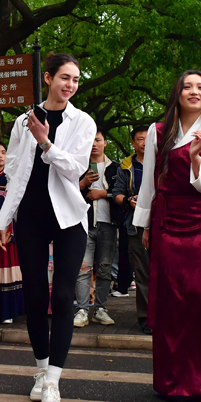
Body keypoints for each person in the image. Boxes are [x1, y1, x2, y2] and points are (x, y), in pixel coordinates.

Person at [0, 53, 95, 402]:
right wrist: (4, 219)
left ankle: (54, 381)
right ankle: (40, 370)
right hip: (32, 217)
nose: (70, 85)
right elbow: (13, 171)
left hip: (69, 217)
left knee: (64, 295)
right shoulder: (24, 120)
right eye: (64, 78)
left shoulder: (82, 121)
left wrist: (47, 144)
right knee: (35, 296)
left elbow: (76, 170)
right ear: (48, 78)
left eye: (76, 80)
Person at [133, 70, 201, 402]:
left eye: (200, 87)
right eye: (187, 86)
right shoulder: (158, 131)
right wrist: (144, 224)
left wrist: (194, 157)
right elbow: (148, 183)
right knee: (171, 303)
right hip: (165, 220)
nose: (193, 91)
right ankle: (172, 381)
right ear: (177, 93)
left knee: (200, 299)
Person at [74, 129, 120, 327]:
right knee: (83, 269)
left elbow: (122, 193)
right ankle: (82, 310)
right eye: (90, 140)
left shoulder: (116, 168)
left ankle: (101, 309)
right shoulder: (78, 166)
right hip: (84, 224)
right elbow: (66, 192)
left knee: (104, 268)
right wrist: (82, 184)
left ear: (105, 143)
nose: (94, 144)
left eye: (98, 140)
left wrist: (104, 194)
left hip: (108, 224)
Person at [113, 125, 151, 334]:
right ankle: (146, 319)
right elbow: (116, 193)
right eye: (140, 139)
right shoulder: (126, 166)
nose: (144, 142)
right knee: (143, 274)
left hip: (163, 225)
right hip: (135, 226)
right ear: (133, 143)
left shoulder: (163, 163)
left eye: (148, 138)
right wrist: (129, 200)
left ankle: (166, 316)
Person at [0, 141, 25, 324]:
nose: (0, 155)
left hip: (11, 227)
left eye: (3, 152)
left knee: (9, 267)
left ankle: (9, 310)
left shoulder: (12, 177)